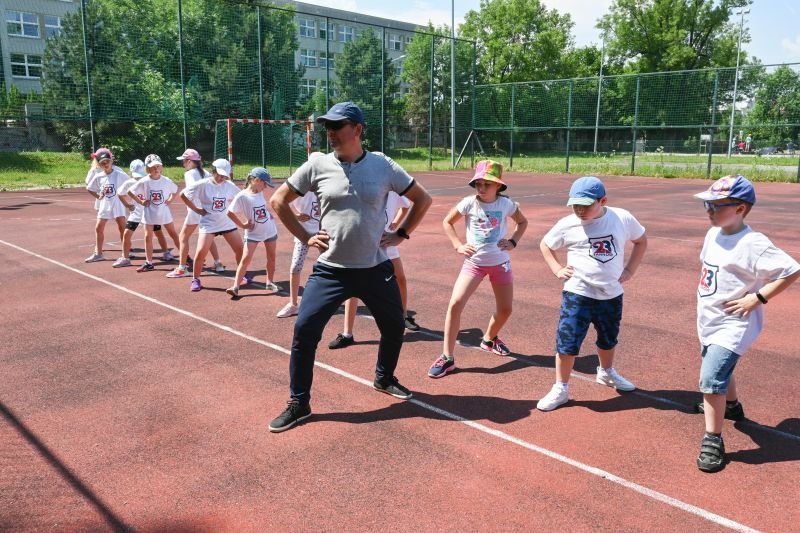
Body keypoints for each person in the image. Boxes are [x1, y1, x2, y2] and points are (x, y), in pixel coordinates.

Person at [267, 101, 432, 432]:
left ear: (357, 130)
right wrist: (305, 235)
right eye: (327, 126)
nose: (330, 132)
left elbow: (423, 199)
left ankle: (384, 378)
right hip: (331, 270)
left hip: (374, 268)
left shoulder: (383, 165)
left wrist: (402, 233)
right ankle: (299, 402)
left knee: (394, 325)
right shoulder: (316, 166)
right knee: (304, 331)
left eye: (337, 126)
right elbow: (278, 201)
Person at [692, 175, 800, 472]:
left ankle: (713, 439)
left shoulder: (753, 243)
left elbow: (791, 270)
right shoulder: (713, 234)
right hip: (709, 317)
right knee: (719, 368)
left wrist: (758, 297)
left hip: (735, 322)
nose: (709, 210)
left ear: (740, 208)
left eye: (717, 205)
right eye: (707, 204)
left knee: (710, 378)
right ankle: (732, 406)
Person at [536, 176, 648, 411]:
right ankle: (561, 388)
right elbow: (546, 245)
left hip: (611, 294)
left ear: (603, 200)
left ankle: (606, 373)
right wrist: (557, 268)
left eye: (585, 205)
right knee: (567, 343)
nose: (579, 210)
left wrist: (630, 269)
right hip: (578, 294)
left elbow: (641, 241)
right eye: (575, 205)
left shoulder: (622, 218)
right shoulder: (568, 223)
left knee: (608, 339)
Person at [427, 160, 528, 378]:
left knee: (505, 310)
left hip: (500, 263)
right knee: (455, 304)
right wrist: (458, 245)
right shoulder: (468, 203)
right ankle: (447, 357)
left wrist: (513, 242)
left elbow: (522, 222)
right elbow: (447, 222)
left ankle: (489, 339)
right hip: (474, 264)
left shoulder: (506, 205)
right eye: (478, 183)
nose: (481, 188)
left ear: (498, 186)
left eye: (487, 184)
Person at [329, 188, 420, 350]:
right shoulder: (363, 188)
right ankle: (347, 333)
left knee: (400, 279)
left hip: (385, 242)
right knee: (353, 286)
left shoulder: (393, 191)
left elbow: (406, 207)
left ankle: (404, 316)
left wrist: (395, 226)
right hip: (362, 242)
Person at [181, 158, 244, 292]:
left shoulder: (229, 185)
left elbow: (242, 197)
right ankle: (196, 279)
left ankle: (241, 275)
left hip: (226, 222)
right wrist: (196, 210)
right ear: (213, 171)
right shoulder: (202, 184)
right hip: (209, 224)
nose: (222, 178)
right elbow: (183, 195)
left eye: (224, 175)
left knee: (240, 249)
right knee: (200, 253)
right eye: (219, 174)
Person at [276, 153, 323, 319]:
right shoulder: (300, 188)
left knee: (332, 268)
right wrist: (297, 215)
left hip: (323, 234)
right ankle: (293, 303)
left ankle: (332, 300)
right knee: (295, 267)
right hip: (303, 234)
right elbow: (282, 204)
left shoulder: (328, 186)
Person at [166, 149, 224, 278]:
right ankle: (218, 263)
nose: (183, 163)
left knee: (183, 237)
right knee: (207, 236)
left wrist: (196, 209)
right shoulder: (207, 173)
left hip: (196, 210)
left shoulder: (190, 174)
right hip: (207, 209)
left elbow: (190, 193)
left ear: (190, 161)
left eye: (184, 161)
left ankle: (182, 268)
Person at [225, 167, 279, 298]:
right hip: (253, 233)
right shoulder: (242, 196)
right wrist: (242, 225)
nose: (266, 187)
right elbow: (229, 213)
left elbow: (261, 206)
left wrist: (269, 214)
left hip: (269, 230)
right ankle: (236, 286)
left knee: (271, 257)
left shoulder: (259, 192)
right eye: (265, 184)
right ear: (256, 180)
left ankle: (269, 282)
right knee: (245, 259)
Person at [113, 159, 172, 268]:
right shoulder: (129, 183)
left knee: (158, 232)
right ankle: (125, 258)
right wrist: (127, 205)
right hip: (136, 213)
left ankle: (166, 252)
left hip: (150, 213)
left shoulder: (149, 181)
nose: (138, 178)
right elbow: (120, 193)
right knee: (127, 234)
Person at [128, 154, 181, 272]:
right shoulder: (144, 181)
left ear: (161, 167)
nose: (156, 169)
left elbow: (176, 190)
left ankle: (185, 257)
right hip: (149, 213)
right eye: (153, 167)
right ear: (147, 169)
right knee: (148, 236)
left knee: (173, 233)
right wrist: (141, 201)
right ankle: (149, 262)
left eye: (158, 166)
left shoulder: (166, 180)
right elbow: (131, 192)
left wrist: (170, 200)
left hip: (164, 212)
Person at [84, 148, 129, 263]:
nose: (106, 164)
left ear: (111, 161)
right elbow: (89, 187)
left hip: (118, 204)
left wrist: (126, 198)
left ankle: (126, 254)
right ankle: (98, 253)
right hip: (105, 205)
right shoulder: (99, 176)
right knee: (99, 227)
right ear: (99, 164)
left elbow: (131, 184)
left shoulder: (119, 174)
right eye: (102, 163)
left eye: (107, 161)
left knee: (122, 228)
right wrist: (98, 196)